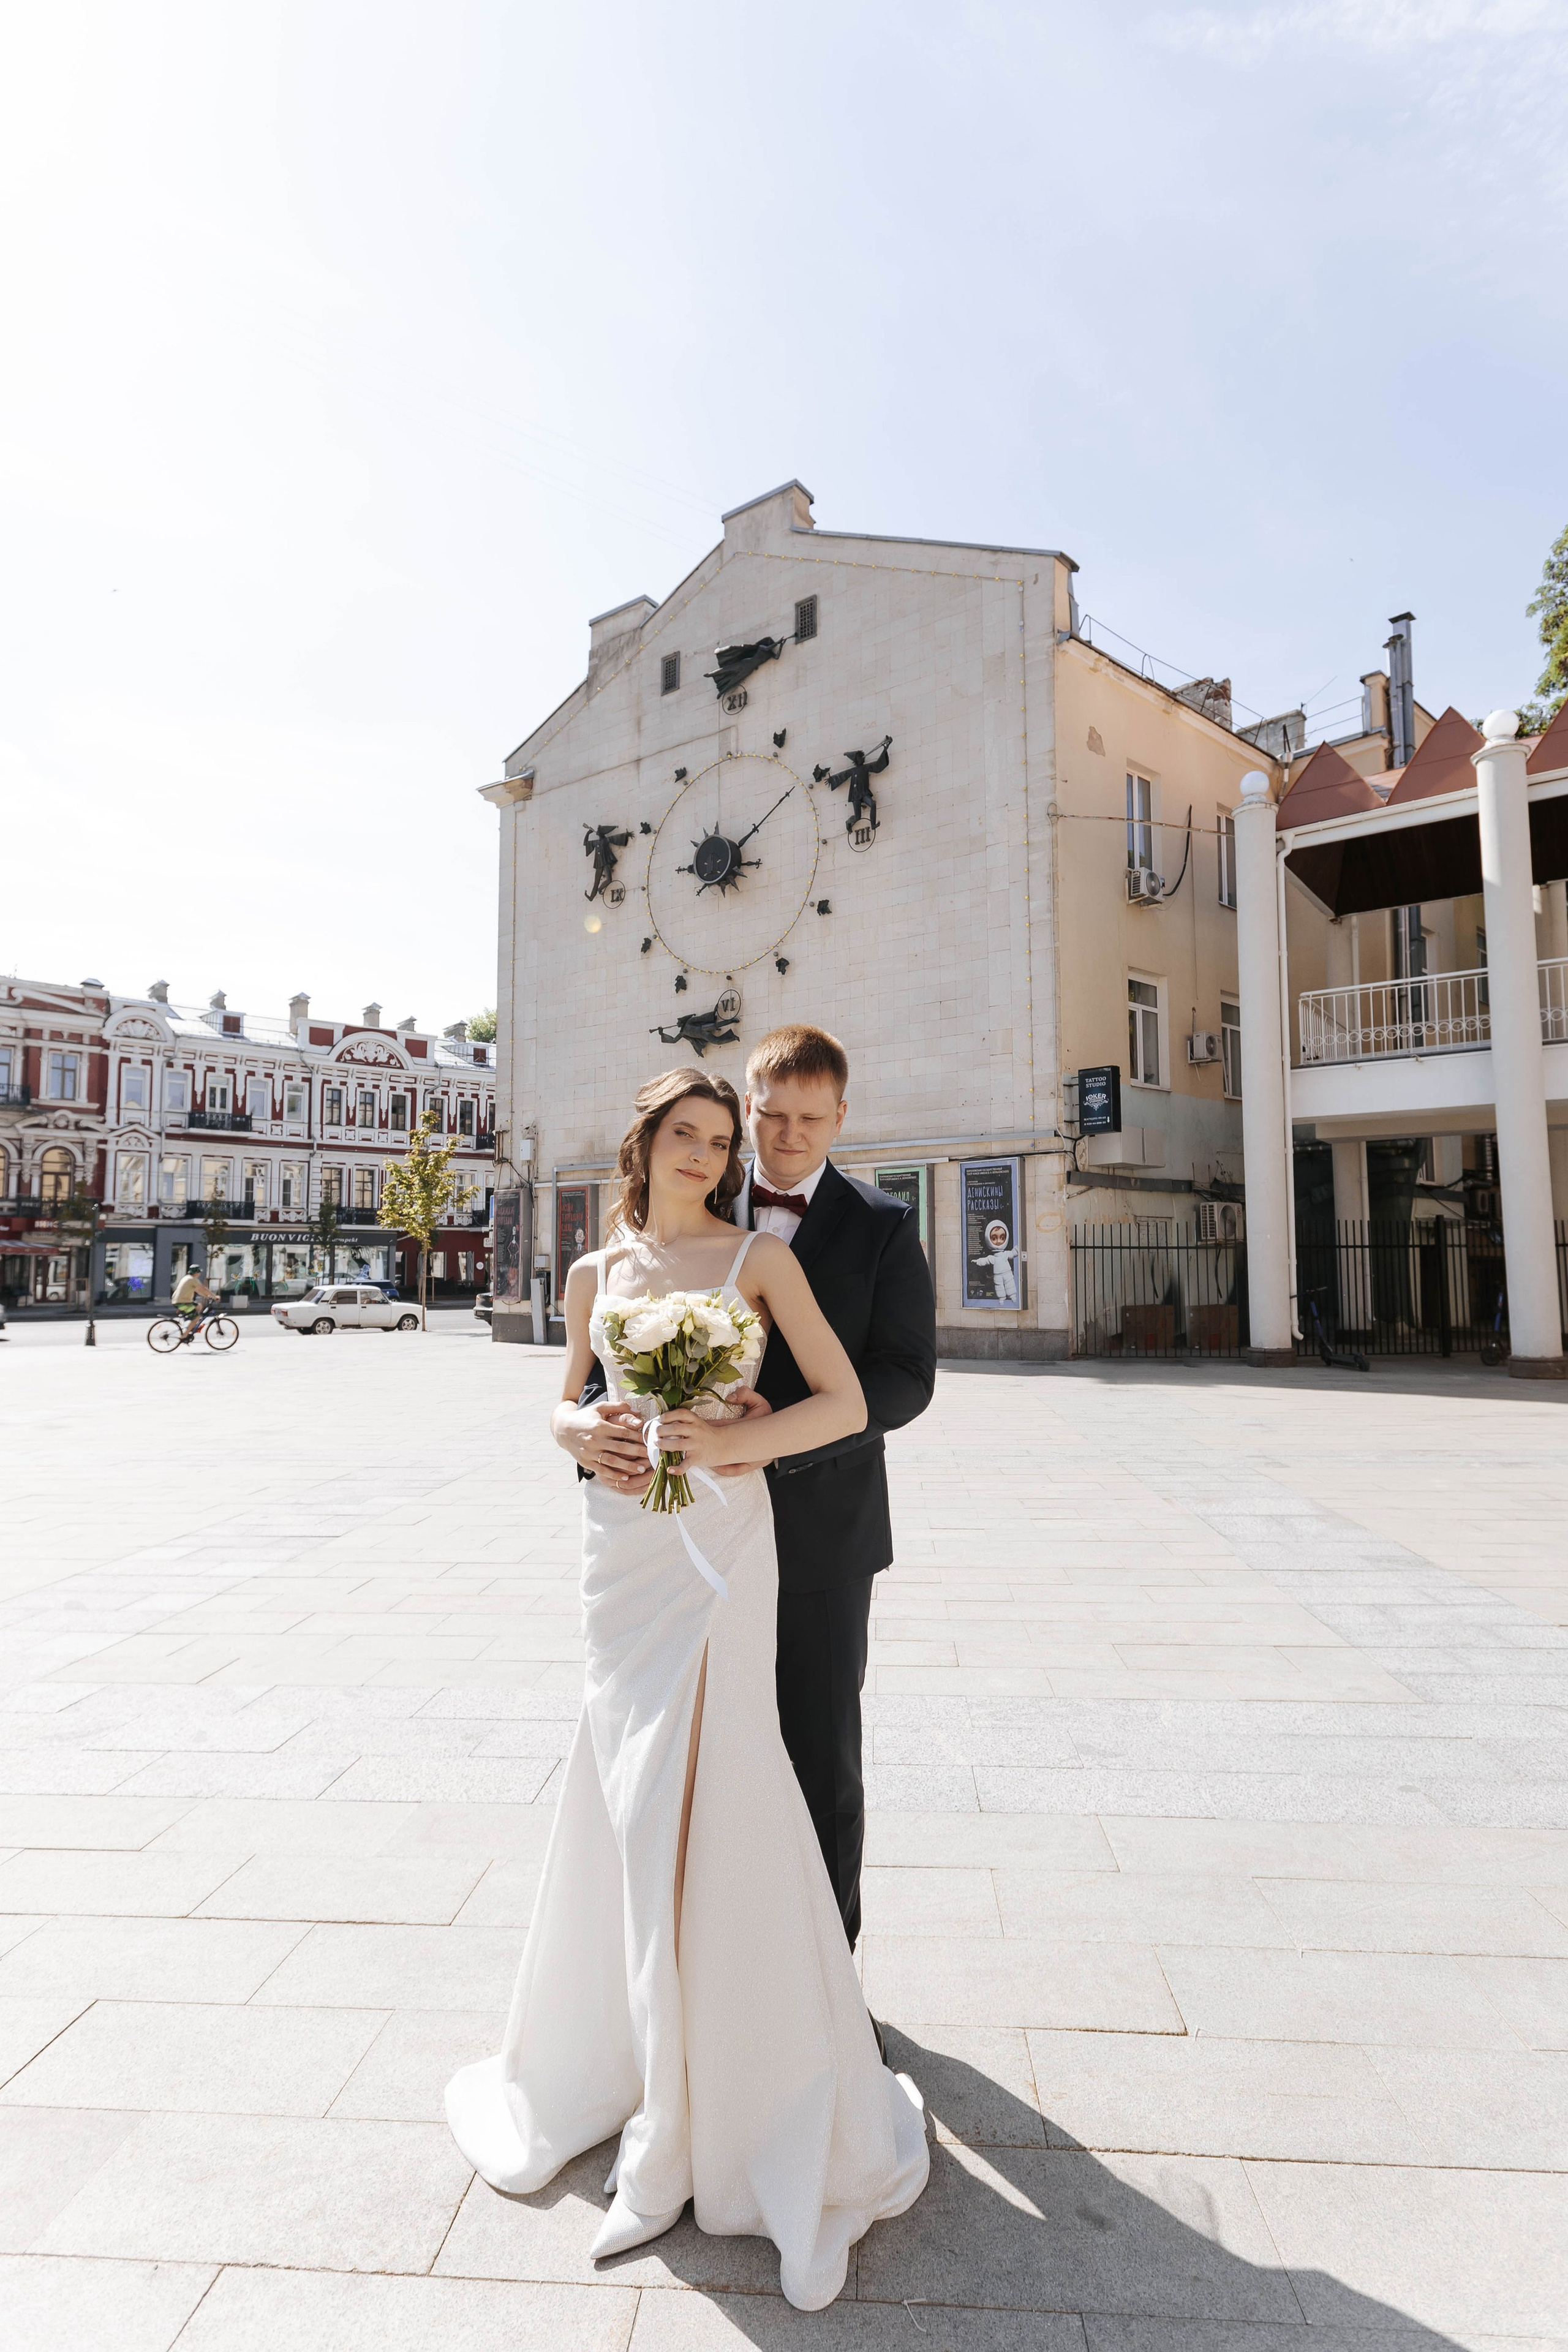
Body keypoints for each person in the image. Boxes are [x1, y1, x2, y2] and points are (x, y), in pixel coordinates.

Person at [446, 1067, 929, 2310]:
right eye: (687, 1135)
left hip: (721, 1543)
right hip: (621, 1556)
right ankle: (629, 2068)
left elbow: (844, 1398)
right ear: (646, 1140)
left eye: (721, 1140)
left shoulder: (757, 1263)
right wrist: (576, 1433)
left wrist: (728, 1442)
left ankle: (728, 2093)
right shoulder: (588, 1275)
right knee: (624, 1792)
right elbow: (567, 1400)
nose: (707, 1156)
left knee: (719, 1783)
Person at [565, 1023, 937, 1958]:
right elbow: (604, 1370)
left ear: (840, 1117)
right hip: (672, 1531)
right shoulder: (695, 1191)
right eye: (770, 1117)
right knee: (686, 1753)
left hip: (820, 1530)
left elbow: (904, 1380)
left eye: (810, 1119)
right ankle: (695, 1962)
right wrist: (587, 1432)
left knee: (817, 1754)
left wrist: (769, 1439)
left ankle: (825, 1982)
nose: (787, 1136)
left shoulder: (883, 1224)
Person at [171, 1264, 216, 1330]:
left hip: (178, 1301)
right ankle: (186, 1334)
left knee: (199, 1306)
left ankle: (191, 1324)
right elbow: (203, 1289)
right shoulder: (192, 1279)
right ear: (196, 1273)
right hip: (183, 1303)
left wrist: (207, 1297)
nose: (200, 1274)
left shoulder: (187, 1278)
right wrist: (214, 1296)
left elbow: (198, 1291)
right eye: (199, 1272)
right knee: (197, 1318)